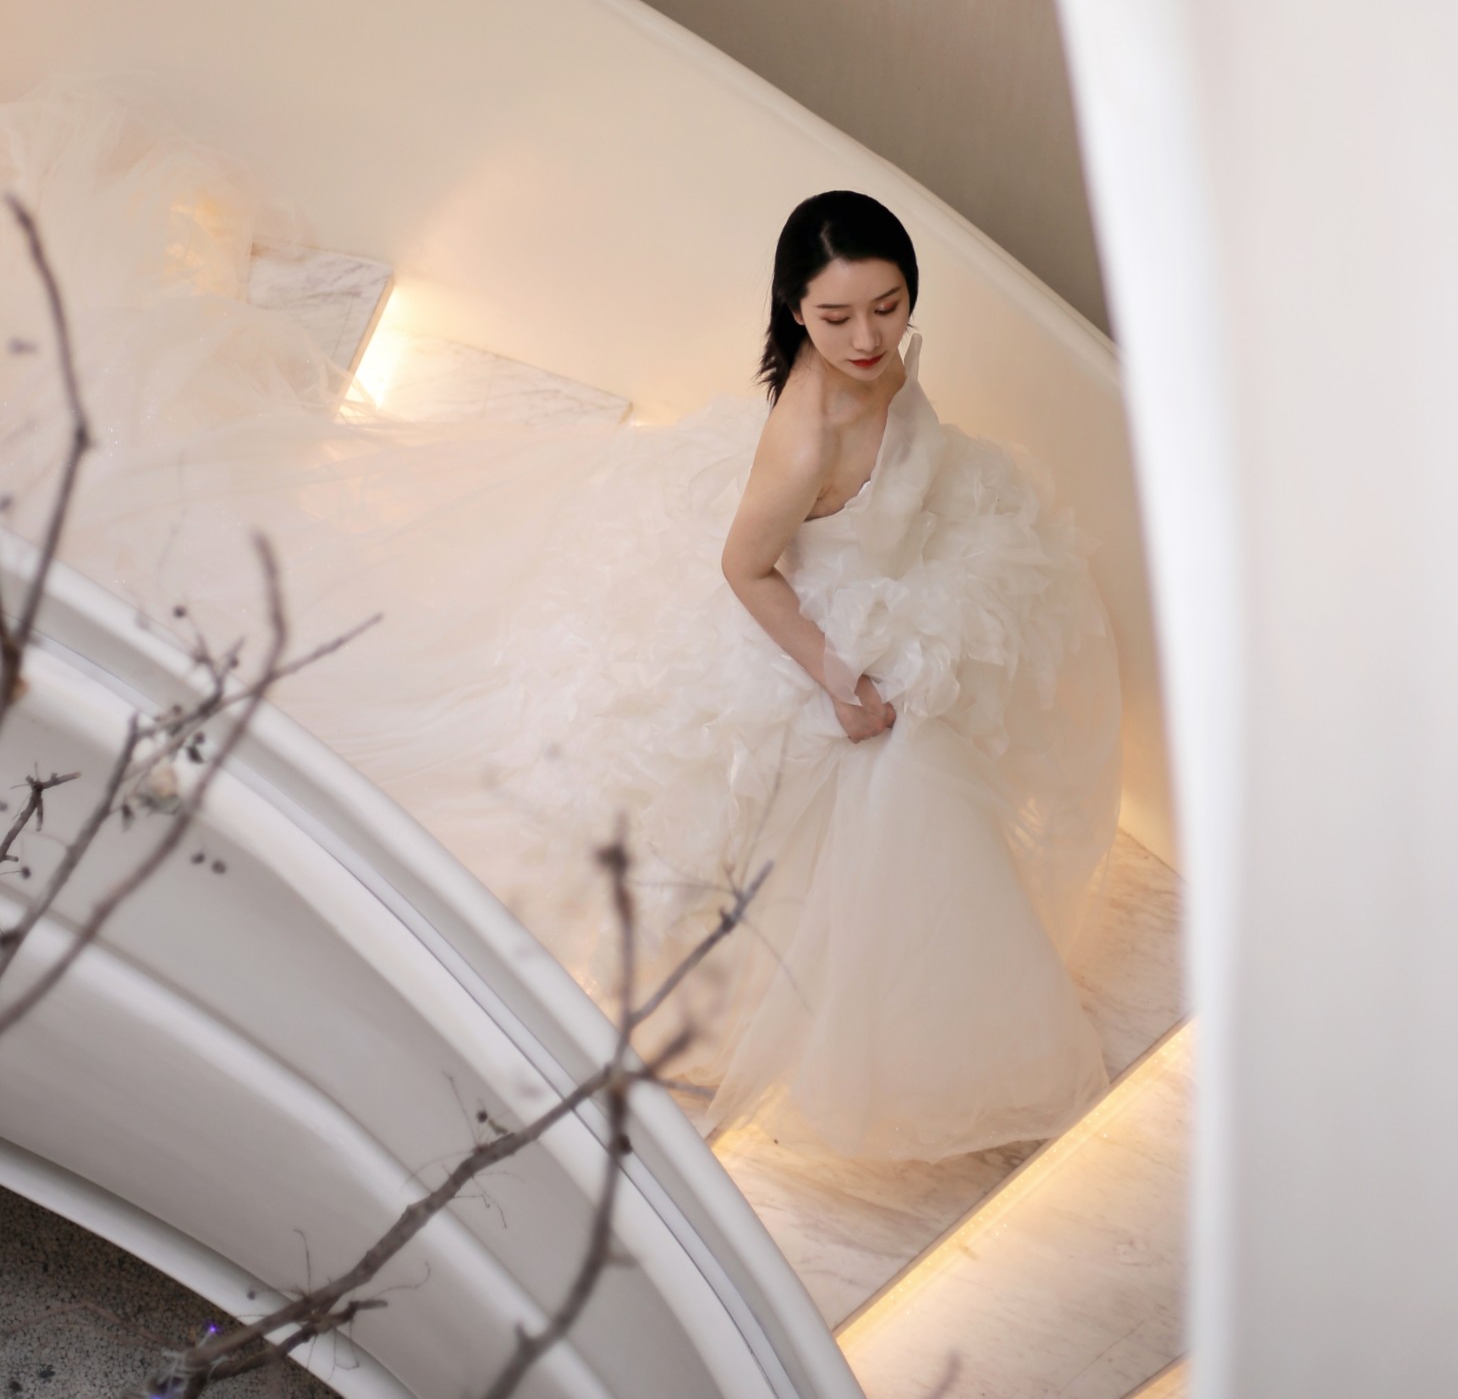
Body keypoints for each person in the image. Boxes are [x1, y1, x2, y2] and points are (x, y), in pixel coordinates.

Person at [0, 83, 1121, 1164]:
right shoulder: (802, 440)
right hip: (796, 608)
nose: (869, 338)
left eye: (888, 307)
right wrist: (834, 673)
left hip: (878, 575)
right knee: (814, 785)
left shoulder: (880, 364)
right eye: (837, 318)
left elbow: (890, 432)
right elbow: (745, 568)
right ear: (796, 312)